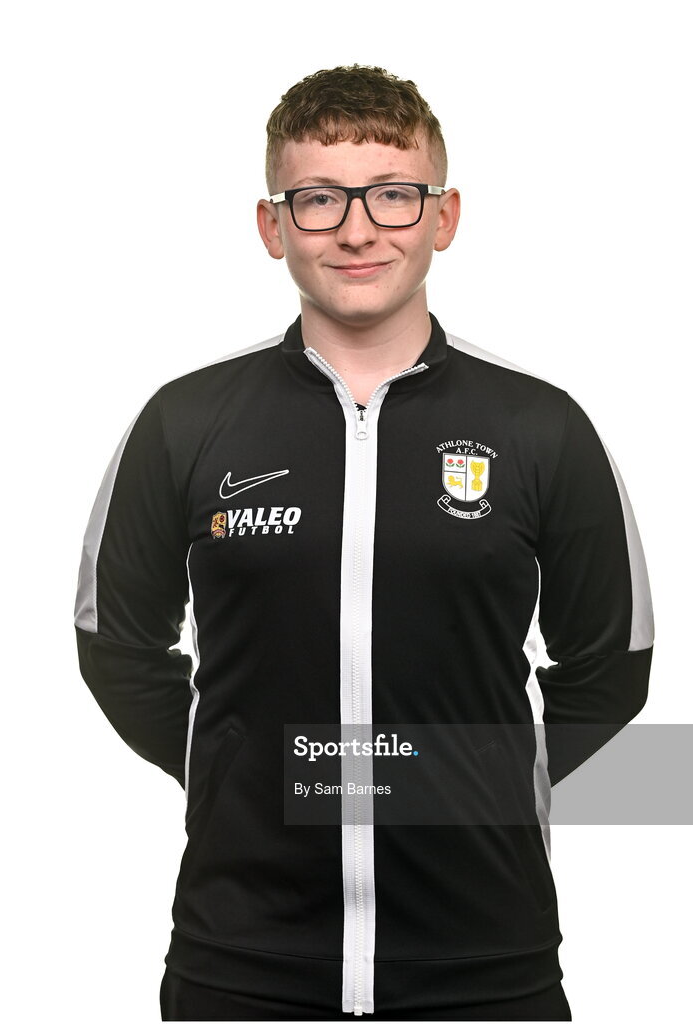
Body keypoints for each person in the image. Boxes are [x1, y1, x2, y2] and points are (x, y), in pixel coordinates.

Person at [73, 64, 654, 1021]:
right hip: (241, 966)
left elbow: (614, 660)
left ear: (444, 216)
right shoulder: (185, 422)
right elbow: (115, 644)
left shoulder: (541, 427)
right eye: (317, 200)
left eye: (393, 194)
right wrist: (242, 770)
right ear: (272, 226)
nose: (357, 228)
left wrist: (483, 783)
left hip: (486, 966)